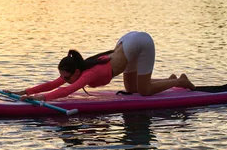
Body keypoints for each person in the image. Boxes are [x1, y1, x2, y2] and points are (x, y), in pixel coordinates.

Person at [11, 31, 195, 102]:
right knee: (132, 88)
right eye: (64, 77)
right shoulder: (78, 69)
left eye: (66, 77)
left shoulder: (87, 74)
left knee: (144, 91)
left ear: (75, 72)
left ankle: (180, 81)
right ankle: (170, 80)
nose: (64, 81)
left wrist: (42, 98)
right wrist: (23, 92)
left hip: (140, 43)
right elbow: (53, 84)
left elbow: (68, 91)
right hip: (126, 43)